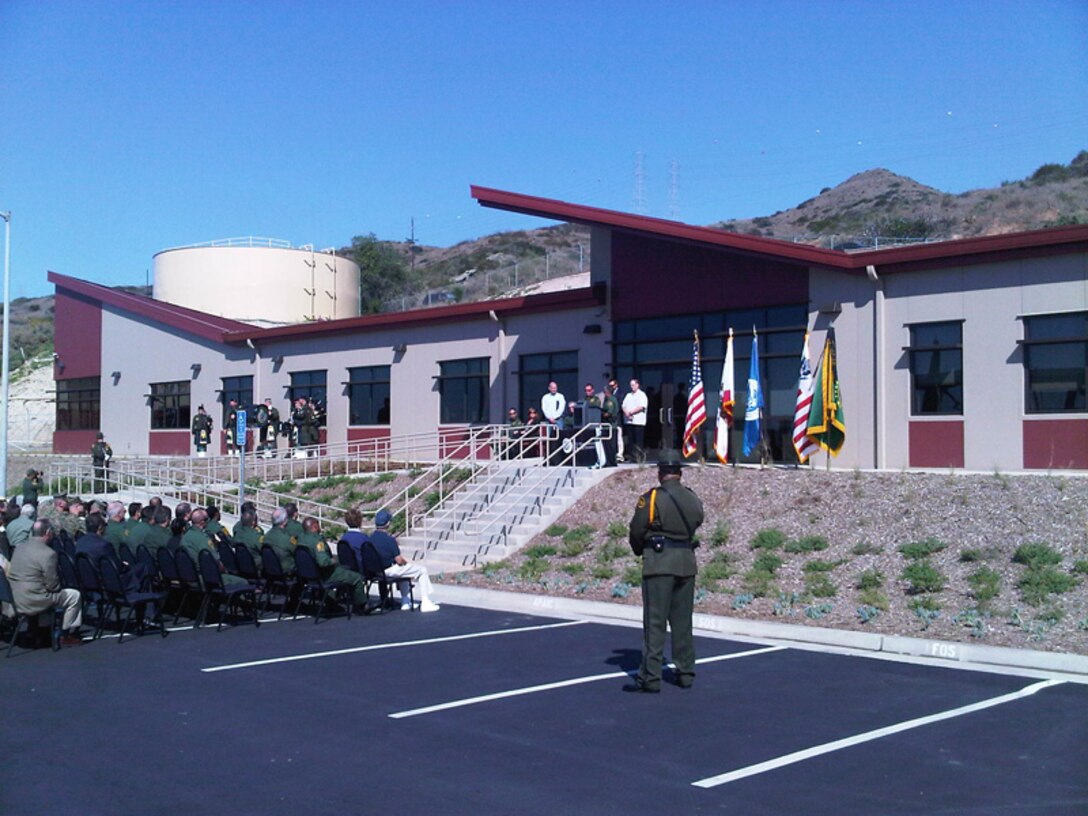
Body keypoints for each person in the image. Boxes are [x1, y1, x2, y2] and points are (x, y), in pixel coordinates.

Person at [624, 448, 704, 693]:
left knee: (655, 623)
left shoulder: (651, 499)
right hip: (686, 563)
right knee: (682, 622)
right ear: (679, 473)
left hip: (659, 563)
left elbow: (636, 530)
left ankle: (650, 677)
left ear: (660, 473)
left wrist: (641, 550)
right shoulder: (692, 498)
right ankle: (686, 673)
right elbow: (698, 520)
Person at [6, 519, 83, 646]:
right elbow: (53, 586)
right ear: (47, 532)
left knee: (41, 590)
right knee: (74, 595)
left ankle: (38, 630)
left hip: (15, 597)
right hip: (34, 599)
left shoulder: (19, 548)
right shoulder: (48, 554)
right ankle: (66, 634)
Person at [370, 509, 439, 612]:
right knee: (421, 570)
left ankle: (405, 601)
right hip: (389, 570)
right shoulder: (389, 540)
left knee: (404, 571)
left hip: (375, 571)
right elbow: (398, 560)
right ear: (388, 523)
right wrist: (405, 562)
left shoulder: (370, 538)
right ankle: (425, 602)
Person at [297, 517, 368, 609]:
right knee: (356, 578)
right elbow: (323, 562)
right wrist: (333, 560)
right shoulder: (317, 541)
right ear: (314, 526)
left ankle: (332, 601)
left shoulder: (300, 539)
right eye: (318, 525)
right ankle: (361, 605)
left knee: (345, 571)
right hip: (324, 575)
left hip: (308, 575)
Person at [622, 379, 649, 464]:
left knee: (638, 441)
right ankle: (631, 457)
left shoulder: (642, 395)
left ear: (638, 385)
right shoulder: (628, 395)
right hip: (629, 422)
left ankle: (639, 458)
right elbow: (623, 405)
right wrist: (627, 413)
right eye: (631, 385)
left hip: (638, 422)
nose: (632, 387)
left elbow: (641, 407)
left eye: (633, 385)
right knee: (630, 441)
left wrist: (631, 412)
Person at [609, 378, 626, 463]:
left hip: (618, 418)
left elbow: (619, 405)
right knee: (612, 437)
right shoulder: (609, 394)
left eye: (612, 385)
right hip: (611, 420)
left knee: (619, 437)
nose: (611, 387)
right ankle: (613, 454)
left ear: (616, 385)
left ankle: (620, 455)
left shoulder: (620, 393)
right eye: (610, 386)